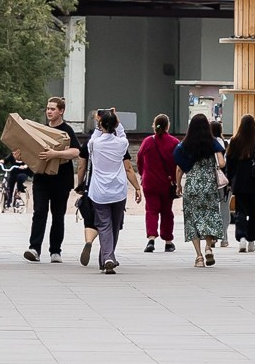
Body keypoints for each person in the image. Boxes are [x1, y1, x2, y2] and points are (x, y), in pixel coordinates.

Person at [82, 108, 140, 273]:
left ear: (101, 125)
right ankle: (108, 257)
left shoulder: (94, 144)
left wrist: (97, 123)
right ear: (115, 124)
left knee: (104, 225)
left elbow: (93, 138)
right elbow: (121, 134)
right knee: (115, 225)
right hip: (118, 189)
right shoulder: (122, 144)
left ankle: (107, 257)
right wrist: (116, 119)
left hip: (99, 191)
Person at [24, 96, 80, 263]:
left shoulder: (67, 130)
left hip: (61, 180)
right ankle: (34, 249)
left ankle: (55, 251)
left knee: (58, 215)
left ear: (61, 111)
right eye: (47, 108)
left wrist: (56, 154)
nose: (49, 111)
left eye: (52, 109)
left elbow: (76, 152)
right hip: (41, 178)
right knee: (39, 212)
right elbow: (33, 152)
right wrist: (21, 155)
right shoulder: (41, 129)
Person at [173, 113, 227, 267]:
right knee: (210, 216)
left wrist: (178, 185)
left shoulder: (185, 145)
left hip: (192, 185)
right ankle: (209, 247)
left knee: (192, 220)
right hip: (209, 185)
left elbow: (179, 168)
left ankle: (199, 257)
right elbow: (222, 163)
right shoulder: (213, 142)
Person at [136, 114, 180, 253]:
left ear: (154, 126)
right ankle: (168, 241)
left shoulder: (147, 141)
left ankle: (151, 239)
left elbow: (139, 160)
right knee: (167, 212)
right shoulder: (174, 142)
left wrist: (143, 174)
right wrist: (176, 181)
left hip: (150, 182)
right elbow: (177, 163)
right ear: (168, 126)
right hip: (167, 183)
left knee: (151, 210)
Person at [227, 115, 255, 252]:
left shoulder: (234, 141)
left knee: (240, 210)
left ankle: (242, 238)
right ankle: (251, 240)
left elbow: (230, 164)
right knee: (254, 211)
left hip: (239, 182)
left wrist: (229, 181)